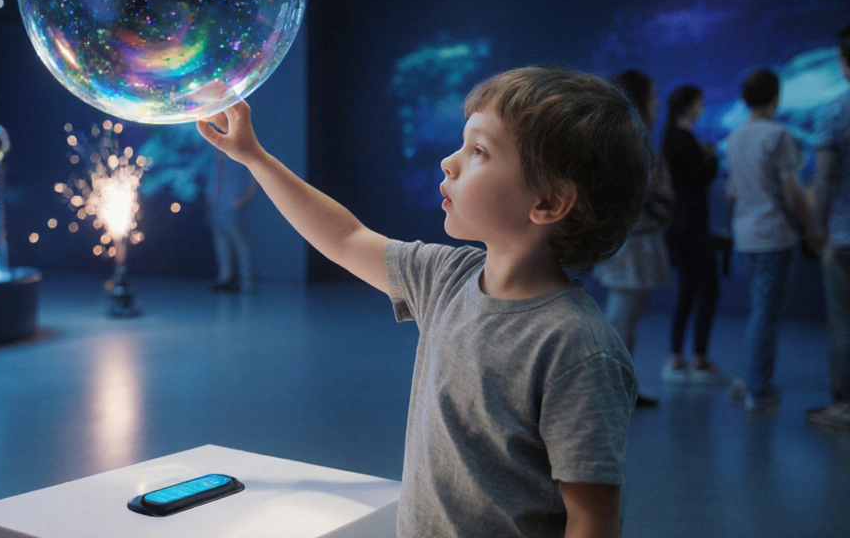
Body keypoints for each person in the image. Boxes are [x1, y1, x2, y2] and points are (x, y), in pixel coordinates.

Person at [199, 67, 644, 537]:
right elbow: (346, 237)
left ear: (550, 203)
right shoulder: (445, 279)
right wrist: (254, 157)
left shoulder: (578, 349)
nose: (448, 163)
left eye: (479, 151)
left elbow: (592, 520)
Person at [725, 68, 822, 414]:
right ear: (776, 98)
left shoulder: (735, 137)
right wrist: (811, 226)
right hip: (774, 235)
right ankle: (758, 388)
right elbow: (792, 190)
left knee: (757, 311)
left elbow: (731, 190)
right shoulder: (778, 135)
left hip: (745, 235)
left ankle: (750, 378)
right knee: (766, 314)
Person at [594, 70, 674, 408]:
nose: (657, 103)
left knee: (626, 315)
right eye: (652, 95)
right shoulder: (629, 137)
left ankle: (619, 385)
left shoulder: (630, 136)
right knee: (621, 316)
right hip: (632, 240)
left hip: (636, 238)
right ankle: (609, 387)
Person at [661, 85, 731, 385]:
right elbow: (698, 178)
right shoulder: (682, 139)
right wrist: (712, 159)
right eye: (699, 102)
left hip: (683, 225)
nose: (702, 107)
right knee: (707, 290)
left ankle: (678, 356)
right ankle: (698, 358)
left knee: (688, 291)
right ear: (689, 106)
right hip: (692, 227)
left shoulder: (672, 138)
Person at [808, 24, 850, 431]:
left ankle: (845, 404)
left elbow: (823, 177)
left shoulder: (836, 110)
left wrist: (815, 226)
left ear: (843, 61)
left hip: (843, 234)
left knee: (842, 321)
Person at [206, 149, 257, 292]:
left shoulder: (238, 158)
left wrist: (242, 200)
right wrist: (210, 199)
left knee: (240, 243)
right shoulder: (214, 160)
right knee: (221, 243)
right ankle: (225, 277)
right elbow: (213, 181)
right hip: (216, 208)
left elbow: (254, 181)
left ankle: (246, 280)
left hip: (232, 208)